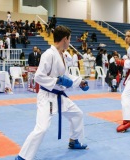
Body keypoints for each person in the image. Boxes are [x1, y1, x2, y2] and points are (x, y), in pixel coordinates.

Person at [15, 25, 89, 160]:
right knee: (42, 128)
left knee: (77, 114)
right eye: (70, 39)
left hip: (60, 96)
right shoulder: (48, 55)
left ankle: (74, 141)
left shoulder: (63, 55)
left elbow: (65, 76)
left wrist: (80, 82)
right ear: (65, 39)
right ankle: (23, 156)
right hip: (47, 96)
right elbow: (38, 76)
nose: (70, 42)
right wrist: (57, 80)